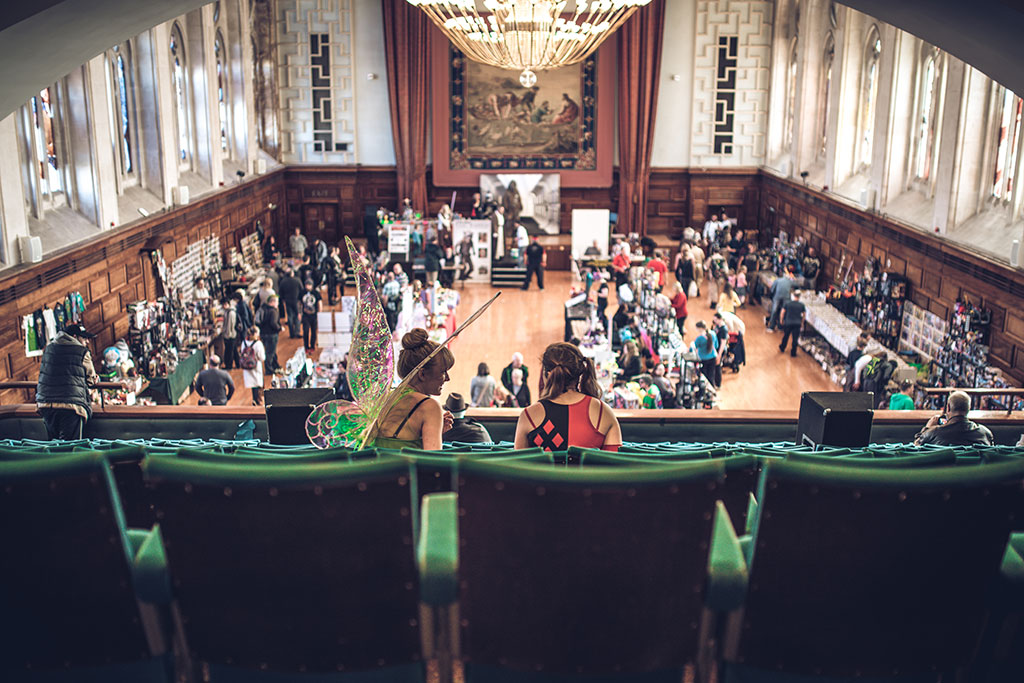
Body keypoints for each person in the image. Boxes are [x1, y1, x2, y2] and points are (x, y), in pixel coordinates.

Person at [514, 342, 621, 451]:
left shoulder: (529, 415)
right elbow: (613, 463)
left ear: (546, 374)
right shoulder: (604, 412)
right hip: (588, 468)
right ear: (580, 373)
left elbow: (519, 464)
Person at [374, 329, 455, 450]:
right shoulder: (429, 407)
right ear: (422, 374)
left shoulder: (385, 399)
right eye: (443, 372)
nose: (447, 378)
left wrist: (431, 431)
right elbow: (434, 462)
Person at [35, 323, 99, 440]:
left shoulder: (49, 349)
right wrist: (95, 379)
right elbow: (91, 380)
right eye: (84, 338)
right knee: (70, 446)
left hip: (45, 403)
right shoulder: (82, 352)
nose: (87, 341)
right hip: (70, 404)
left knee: (54, 445)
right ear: (74, 336)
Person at [914, 391, 994, 446]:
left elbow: (914, 448)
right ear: (968, 408)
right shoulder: (985, 433)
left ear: (948, 408)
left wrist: (927, 428)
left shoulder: (933, 433)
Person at [239, 327, 266, 405]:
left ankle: (254, 400)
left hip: (247, 367)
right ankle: (259, 401)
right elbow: (262, 357)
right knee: (258, 384)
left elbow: (242, 353)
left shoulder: (244, 342)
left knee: (252, 385)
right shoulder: (258, 344)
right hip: (256, 366)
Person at [256, 294, 281, 373]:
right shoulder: (273, 311)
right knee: (270, 352)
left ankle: (275, 365)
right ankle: (269, 369)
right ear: (272, 302)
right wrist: (279, 328)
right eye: (277, 302)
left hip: (263, 334)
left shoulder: (263, 308)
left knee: (269, 350)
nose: (278, 304)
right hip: (271, 334)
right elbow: (273, 323)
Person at [690, 321, 719, 386]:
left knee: (704, 377)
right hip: (713, 357)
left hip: (703, 359)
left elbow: (692, 348)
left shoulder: (699, 338)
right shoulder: (713, 334)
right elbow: (716, 345)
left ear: (700, 328)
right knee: (711, 375)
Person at [778, 289, 806, 357]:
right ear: (799, 297)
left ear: (793, 296)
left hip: (788, 322)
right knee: (795, 338)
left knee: (786, 336)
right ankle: (793, 352)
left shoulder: (788, 303)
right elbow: (804, 315)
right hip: (797, 323)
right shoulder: (801, 305)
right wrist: (802, 322)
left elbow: (782, 312)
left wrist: (781, 320)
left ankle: (782, 347)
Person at [278, 266, 303, 339]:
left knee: (290, 316)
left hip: (287, 301)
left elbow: (280, 292)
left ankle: (291, 333)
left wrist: (283, 299)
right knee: (297, 315)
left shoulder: (283, 281)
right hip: (296, 300)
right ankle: (297, 332)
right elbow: (301, 290)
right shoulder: (297, 280)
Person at [300, 279, 322, 351]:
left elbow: (319, 302)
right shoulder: (302, 292)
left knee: (313, 331)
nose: (308, 286)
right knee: (305, 331)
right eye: (306, 285)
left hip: (314, 315)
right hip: (305, 315)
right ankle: (306, 347)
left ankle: (312, 346)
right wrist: (299, 313)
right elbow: (299, 303)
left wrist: (320, 312)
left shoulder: (316, 293)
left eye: (309, 285)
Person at [221, 299, 239, 370]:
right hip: (231, 334)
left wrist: (227, 335)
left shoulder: (231, 313)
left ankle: (229, 366)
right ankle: (238, 364)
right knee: (234, 350)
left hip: (231, 335)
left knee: (229, 351)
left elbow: (229, 325)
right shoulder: (228, 312)